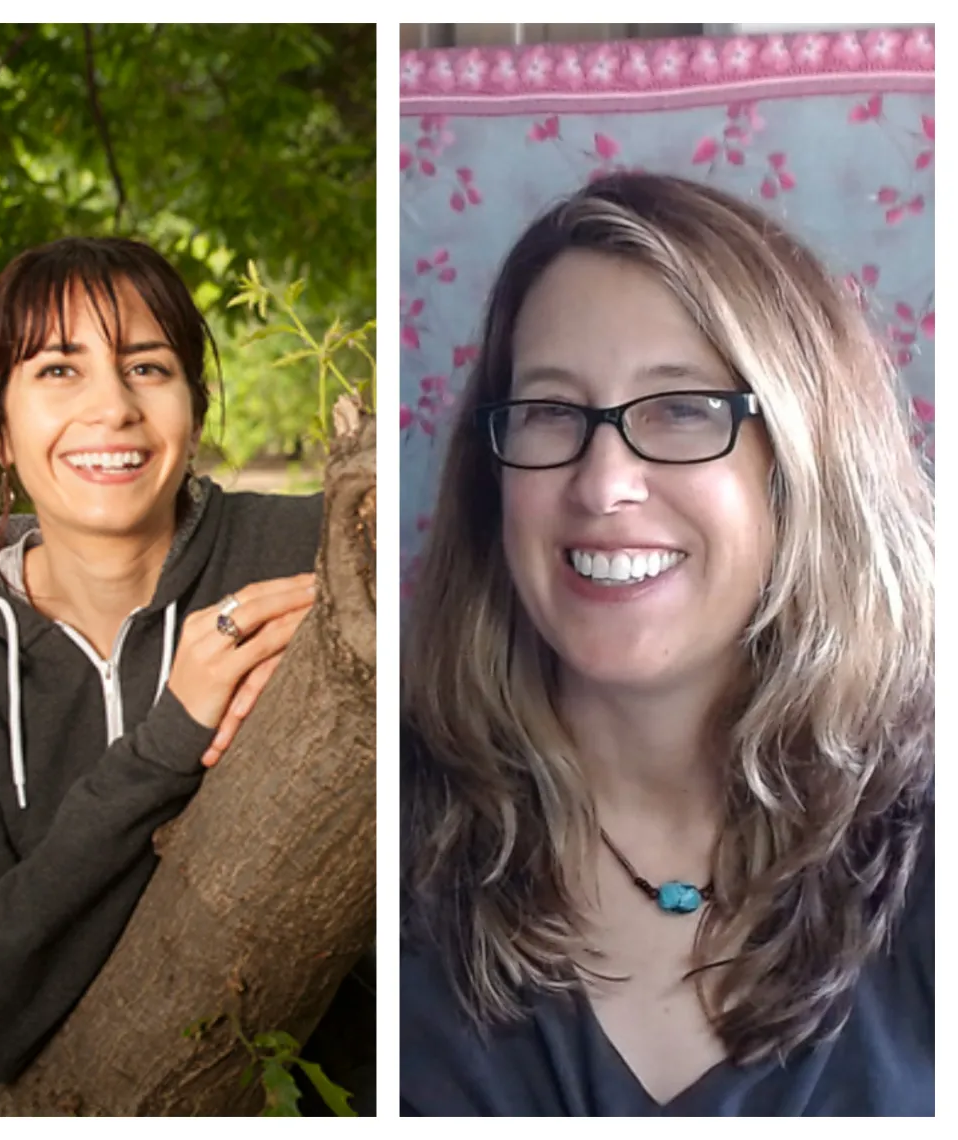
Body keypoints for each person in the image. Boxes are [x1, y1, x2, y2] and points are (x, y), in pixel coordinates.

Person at [400, 173, 934, 1116]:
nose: (603, 483)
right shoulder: (386, 833)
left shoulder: (926, 845)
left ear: (803, 460)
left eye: (683, 408)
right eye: (552, 412)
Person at [0, 236, 373, 1112]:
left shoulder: (313, 555)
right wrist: (173, 735)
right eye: (60, 370)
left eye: (147, 366)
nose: (113, 408)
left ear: (194, 410)